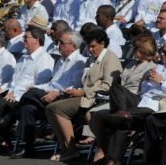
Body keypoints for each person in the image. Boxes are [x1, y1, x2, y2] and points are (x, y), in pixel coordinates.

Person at [45, 29, 122, 161]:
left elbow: (108, 86)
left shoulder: (110, 58)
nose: (90, 49)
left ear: (102, 43)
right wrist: (75, 91)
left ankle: (70, 149)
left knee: (56, 109)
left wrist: (84, 91)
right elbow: (86, 81)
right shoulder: (91, 59)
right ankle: (67, 149)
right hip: (85, 96)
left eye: (93, 46)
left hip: (99, 99)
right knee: (51, 107)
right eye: (88, 46)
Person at [0, 27, 54, 151]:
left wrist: (16, 93)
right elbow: (13, 80)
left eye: (26, 37)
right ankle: (3, 137)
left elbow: (39, 85)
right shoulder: (23, 57)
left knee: (0, 105)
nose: (23, 40)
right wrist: (1, 88)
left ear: (37, 40)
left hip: (24, 95)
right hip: (11, 91)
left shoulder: (45, 59)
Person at [11, 31, 86, 160]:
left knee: (30, 94)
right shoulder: (61, 61)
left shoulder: (79, 62)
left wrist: (57, 93)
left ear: (73, 46)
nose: (58, 45)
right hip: (49, 95)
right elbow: (51, 84)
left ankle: (10, 116)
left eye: (62, 43)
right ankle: (29, 148)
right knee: (27, 108)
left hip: (63, 98)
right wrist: (36, 87)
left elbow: (76, 87)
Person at [89, 34, 158, 164]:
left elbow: (145, 91)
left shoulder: (151, 68)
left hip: (135, 100)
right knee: (96, 115)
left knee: (115, 87)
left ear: (144, 50)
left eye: (136, 48)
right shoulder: (130, 64)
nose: (133, 50)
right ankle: (105, 148)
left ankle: (119, 116)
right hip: (120, 99)